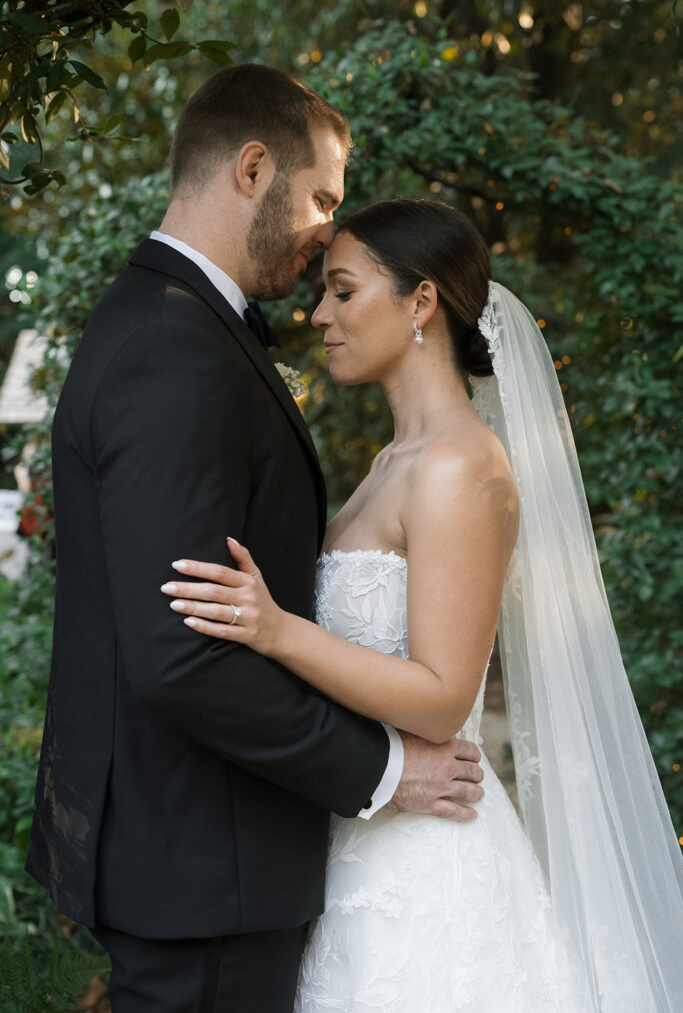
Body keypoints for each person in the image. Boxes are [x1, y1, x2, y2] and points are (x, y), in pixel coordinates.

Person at [24, 69, 486, 1013]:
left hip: (215, 861)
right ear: (250, 168)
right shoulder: (175, 347)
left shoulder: (180, 327)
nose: (326, 227)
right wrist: (388, 770)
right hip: (205, 863)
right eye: (321, 196)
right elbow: (183, 656)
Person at [164, 199, 683, 1011]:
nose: (318, 313)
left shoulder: (458, 468)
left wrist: (276, 630)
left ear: (420, 303)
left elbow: (442, 699)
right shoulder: (391, 462)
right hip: (357, 839)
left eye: (341, 291)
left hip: (426, 877)